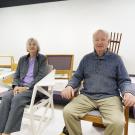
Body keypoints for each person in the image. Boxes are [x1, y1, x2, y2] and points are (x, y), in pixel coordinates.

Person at [61, 29, 135, 135]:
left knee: (117, 122)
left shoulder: (116, 59)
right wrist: (69, 86)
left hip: (110, 97)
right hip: (87, 96)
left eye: (103, 39)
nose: (99, 42)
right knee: (68, 112)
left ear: (108, 42)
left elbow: (124, 80)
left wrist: (128, 92)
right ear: (93, 42)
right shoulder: (86, 59)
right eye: (97, 40)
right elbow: (76, 77)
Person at [0, 38, 48, 135]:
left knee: (17, 99)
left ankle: (7, 132)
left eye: (34, 44)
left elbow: (41, 76)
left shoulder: (43, 59)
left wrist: (26, 88)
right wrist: (16, 86)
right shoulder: (22, 59)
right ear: (27, 47)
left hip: (34, 88)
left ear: (37, 46)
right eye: (29, 44)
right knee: (6, 97)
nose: (31, 46)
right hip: (20, 87)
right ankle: (1, 130)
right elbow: (17, 75)